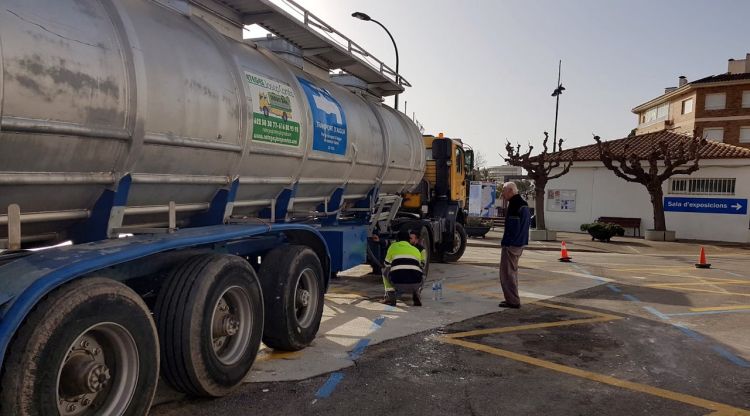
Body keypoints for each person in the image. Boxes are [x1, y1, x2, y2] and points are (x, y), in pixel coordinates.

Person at [498, 181, 530, 308]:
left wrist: (506, 244)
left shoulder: (514, 205)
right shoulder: (524, 204)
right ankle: (512, 299)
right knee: (512, 272)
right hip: (520, 243)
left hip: (512, 245)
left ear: (511, 191)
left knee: (507, 274)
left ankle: (513, 300)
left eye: (504, 191)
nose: (502, 194)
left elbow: (513, 228)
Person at [382, 229, 425, 306]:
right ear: (409, 240)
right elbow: (420, 266)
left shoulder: (393, 246)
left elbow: (386, 263)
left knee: (384, 270)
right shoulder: (416, 250)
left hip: (397, 283)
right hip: (415, 283)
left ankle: (390, 296)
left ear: (397, 240)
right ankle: (416, 293)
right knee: (420, 271)